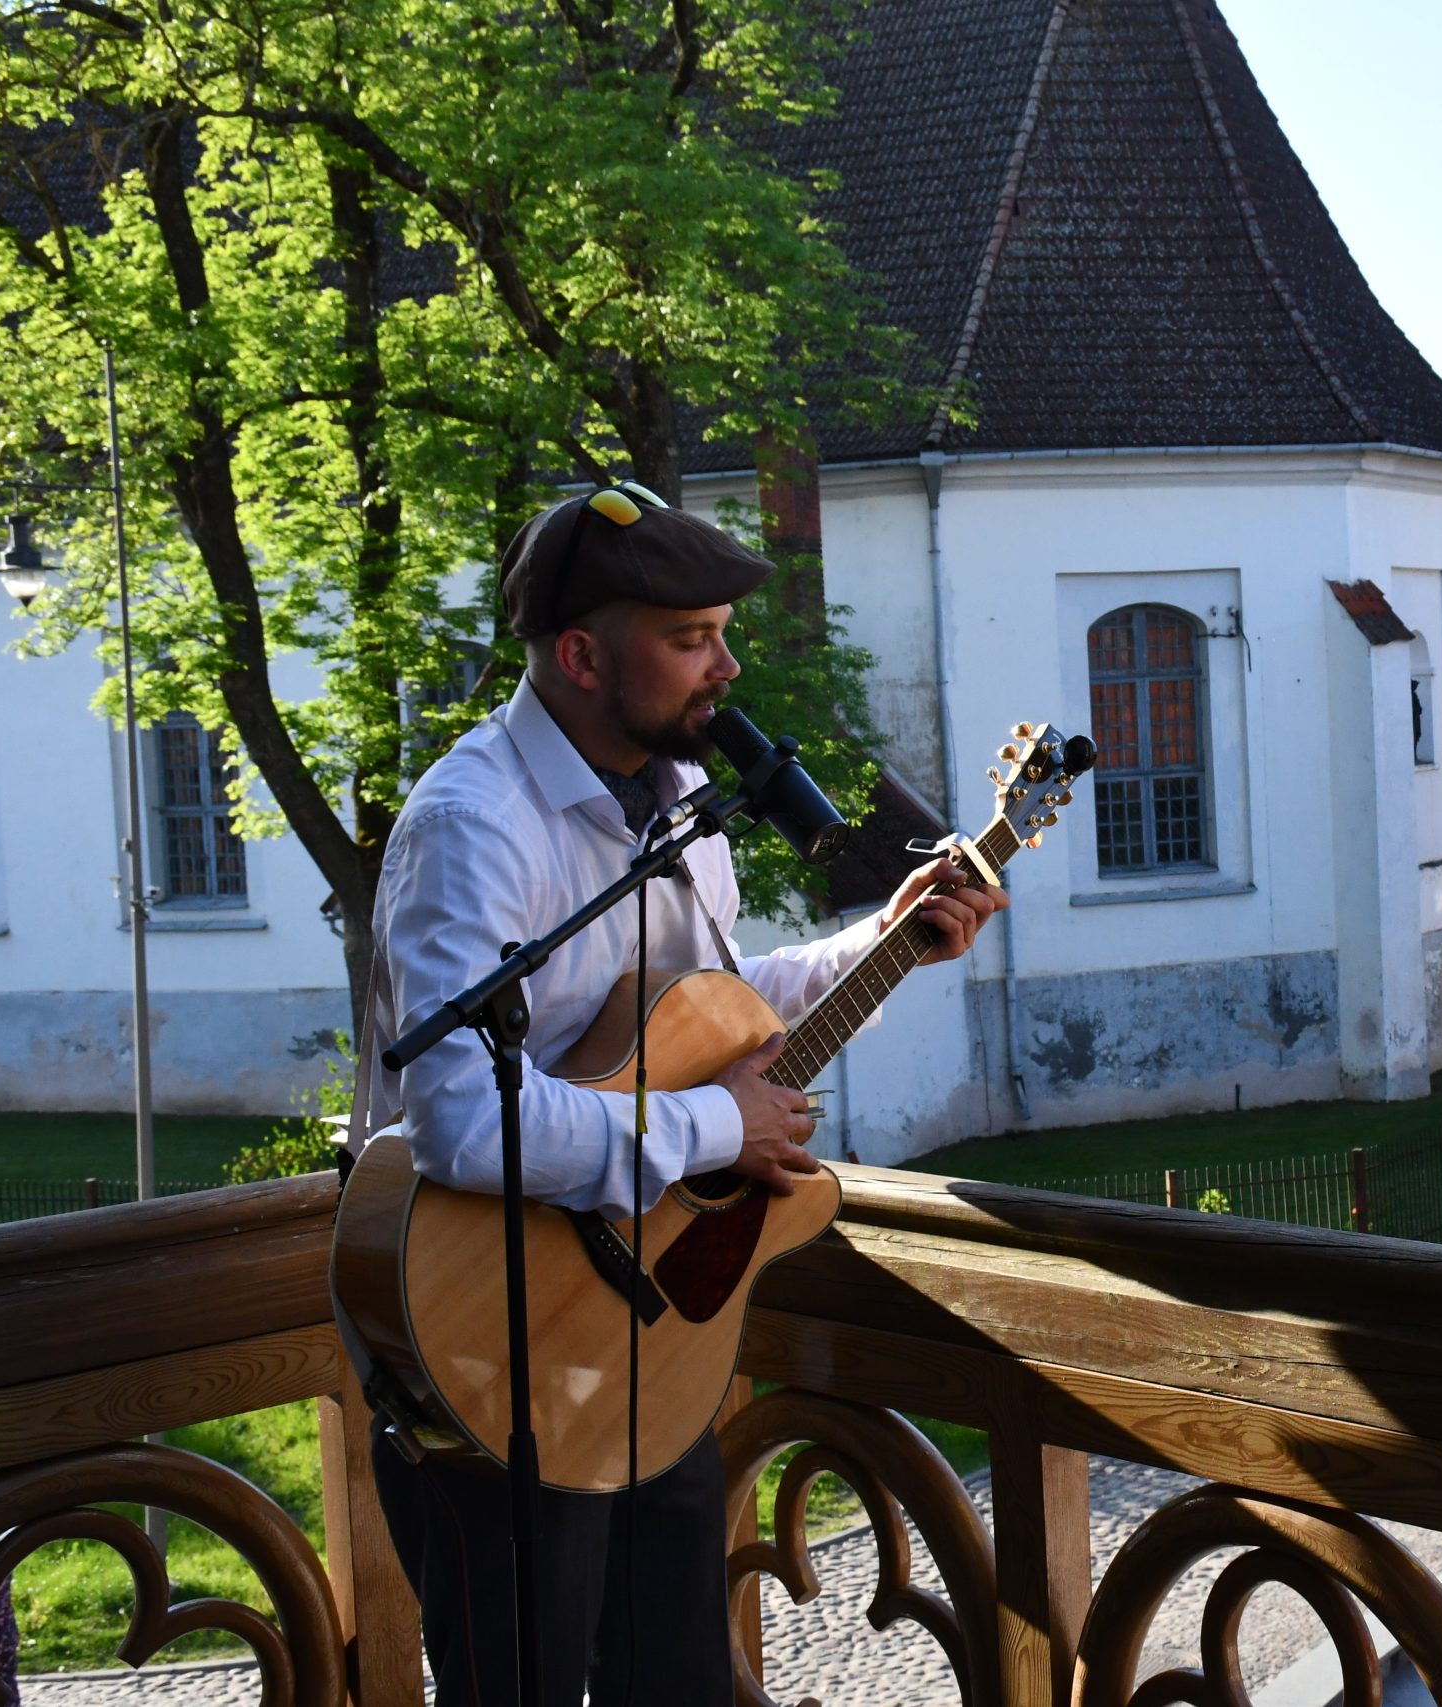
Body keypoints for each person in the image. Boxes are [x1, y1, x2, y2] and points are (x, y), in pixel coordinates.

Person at [358, 480, 1000, 1706]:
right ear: (581, 656)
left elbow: (712, 1006)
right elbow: (460, 1119)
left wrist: (883, 941)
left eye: (721, 634)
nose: (726, 667)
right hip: (485, 1335)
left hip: (647, 1322)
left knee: (682, 1682)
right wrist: (717, 1126)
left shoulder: (681, 804)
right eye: (691, 639)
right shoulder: (472, 825)